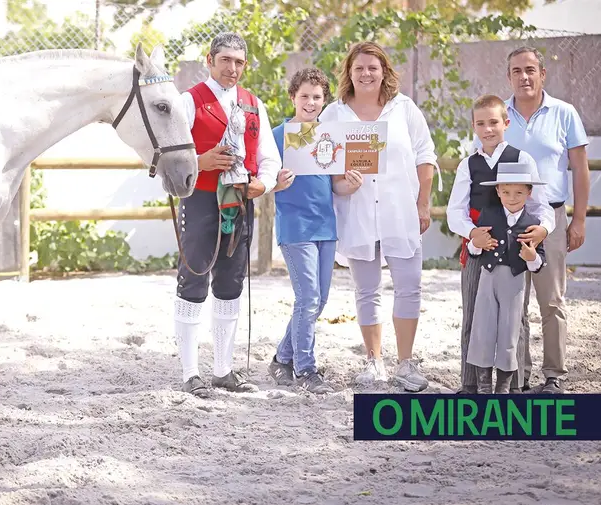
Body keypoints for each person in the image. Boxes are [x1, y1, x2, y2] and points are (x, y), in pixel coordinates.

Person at [319, 41, 437, 392]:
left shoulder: (403, 109)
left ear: (384, 70)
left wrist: (423, 203)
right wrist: (343, 186)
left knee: (408, 287)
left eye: (373, 67)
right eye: (359, 68)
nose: (366, 73)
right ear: (349, 74)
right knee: (367, 289)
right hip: (358, 213)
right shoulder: (334, 114)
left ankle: (406, 363)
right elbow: (323, 166)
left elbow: (425, 156)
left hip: (400, 212)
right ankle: (374, 361)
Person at [172, 32, 282, 398]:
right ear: (210, 59)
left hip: (239, 202)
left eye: (238, 62)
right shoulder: (189, 101)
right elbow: (167, 157)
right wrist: (199, 162)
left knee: (230, 284)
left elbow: (269, 157)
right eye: (225, 60)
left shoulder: (253, 104)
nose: (232, 68)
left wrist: (263, 184)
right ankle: (190, 372)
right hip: (201, 200)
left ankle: (223, 370)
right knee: (194, 281)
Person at [446, 94, 555, 394]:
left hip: (514, 254)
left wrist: (543, 230)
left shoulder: (522, 159)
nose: (488, 129)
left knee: (515, 318)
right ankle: (470, 385)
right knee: (473, 315)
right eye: (480, 123)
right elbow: (455, 210)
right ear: (473, 127)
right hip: (478, 251)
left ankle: (516, 384)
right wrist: (471, 234)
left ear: (506, 122)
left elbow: (543, 207)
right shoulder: (469, 165)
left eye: (493, 122)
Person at [499, 46, 590, 394]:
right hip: (509, 217)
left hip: (550, 214)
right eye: (517, 71)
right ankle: (518, 375)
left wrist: (578, 220)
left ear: (542, 74)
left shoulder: (564, 114)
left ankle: (554, 376)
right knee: (514, 300)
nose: (524, 76)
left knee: (551, 300)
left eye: (530, 70)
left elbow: (580, 169)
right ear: (508, 77)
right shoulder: (500, 116)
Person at [267, 67, 348, 394]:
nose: (311, 103)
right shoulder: (277, 136)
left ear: (324, 100)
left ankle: (281, 359)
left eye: (317, 97)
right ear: (293, 98)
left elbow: (336, 186)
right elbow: (262, 179)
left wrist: (349, 184)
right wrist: (276, 183)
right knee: (308, 297)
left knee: (320, 300)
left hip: (325, 226)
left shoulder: (330, 135)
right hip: (295, 226)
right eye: (304, 96)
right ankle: (306, 369)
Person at [465, 163, 547, 394]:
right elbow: (473, 250)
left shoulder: (533, 224)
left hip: (514, 281)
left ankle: (502, 388)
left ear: (529, 192)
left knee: (510, 331)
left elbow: (540, 261)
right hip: (488, 277)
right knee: (483, 328)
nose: (512, 198)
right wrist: (475, 244)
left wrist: (531, 257)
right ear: (498, 191)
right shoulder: (488, 215)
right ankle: (483, 387)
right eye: (507, 192)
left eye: (519, 192)